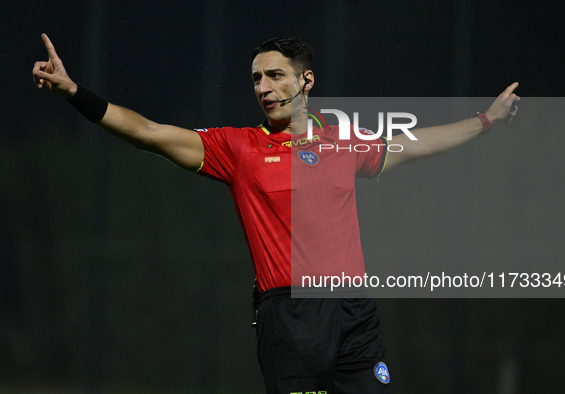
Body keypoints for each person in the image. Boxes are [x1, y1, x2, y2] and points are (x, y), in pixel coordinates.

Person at [33, 34, 519, 394]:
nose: (262, 87)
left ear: (306, 80)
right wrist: (76, 93)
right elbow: (148, 132)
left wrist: (486, 121)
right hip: (289, 315)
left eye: (274, 75)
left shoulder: (344, 140)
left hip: (354, 311)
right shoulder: (238, 147)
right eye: (255, 79)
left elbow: (418, 143)